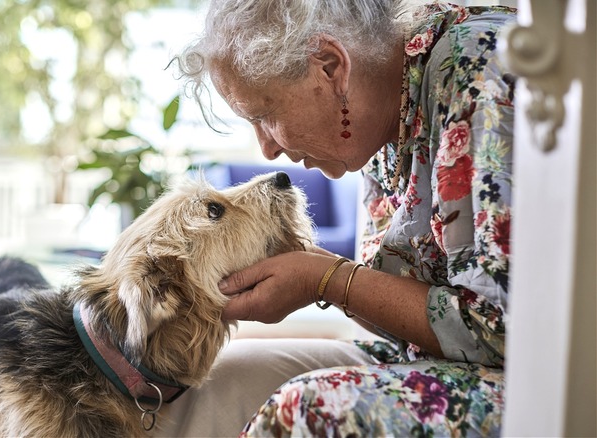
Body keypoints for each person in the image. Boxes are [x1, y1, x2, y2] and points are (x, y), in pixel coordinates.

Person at [157, 0, 516, 436]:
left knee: (309, 408)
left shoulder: (477, 74)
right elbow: (400, 321)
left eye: (265, 116)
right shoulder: (383, 112)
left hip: (540, 380)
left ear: (330, 66)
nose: (266, 150)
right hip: (443, 363)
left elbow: (497, 331)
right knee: (218, 380)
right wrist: (308, 268)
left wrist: (322, 278)